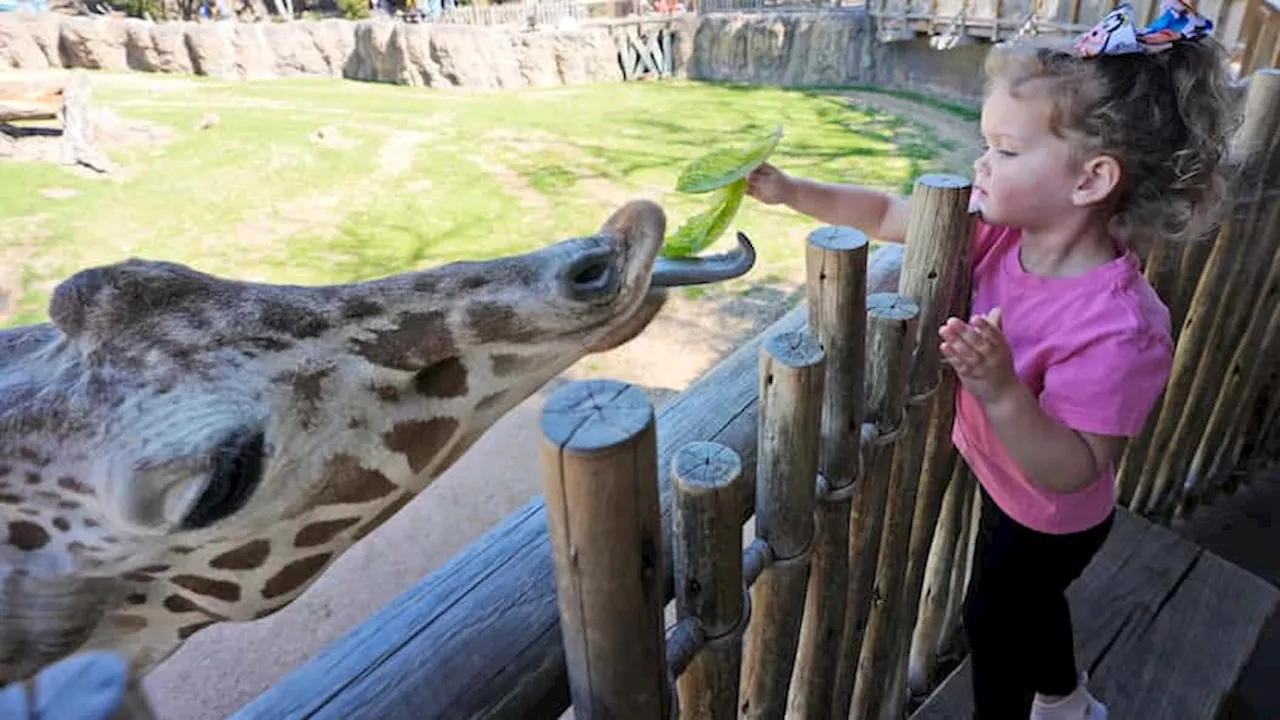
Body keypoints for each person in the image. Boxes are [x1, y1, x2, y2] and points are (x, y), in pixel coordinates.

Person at [744, 2, 1238, 717]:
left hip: (1055, 514)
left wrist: (1002, 388)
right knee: (1032, 609)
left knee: (995, 615)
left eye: (1006, 151)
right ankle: (1068, 702)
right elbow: (886, 214)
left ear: (1091, 181)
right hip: (1003, 484)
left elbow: (1074, 466)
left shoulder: (1120, 328)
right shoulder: (996, 234)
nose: (981, 162)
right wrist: (794, 192)